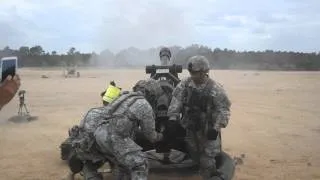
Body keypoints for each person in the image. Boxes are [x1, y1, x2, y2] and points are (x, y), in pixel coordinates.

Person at [66, 78, 165, 180]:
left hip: (97, 133)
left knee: (114, 162)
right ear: (151, 94)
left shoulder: (123, 96)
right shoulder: (144, 105)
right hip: (113, 137)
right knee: (140, 163)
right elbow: (150, 135)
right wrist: (161, 136)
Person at [166, 55, 231, 180]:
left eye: (195, 73)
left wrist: (216, 127)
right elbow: (176, 100)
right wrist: (173, 119)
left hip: (208, 130)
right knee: (194, 154)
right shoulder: (185, 84)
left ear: (204, 72)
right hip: (190, 128)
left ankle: (210, 175)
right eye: (191, 72)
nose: (192, 75)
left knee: (207, 159)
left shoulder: (215, 89)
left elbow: (224, 110)